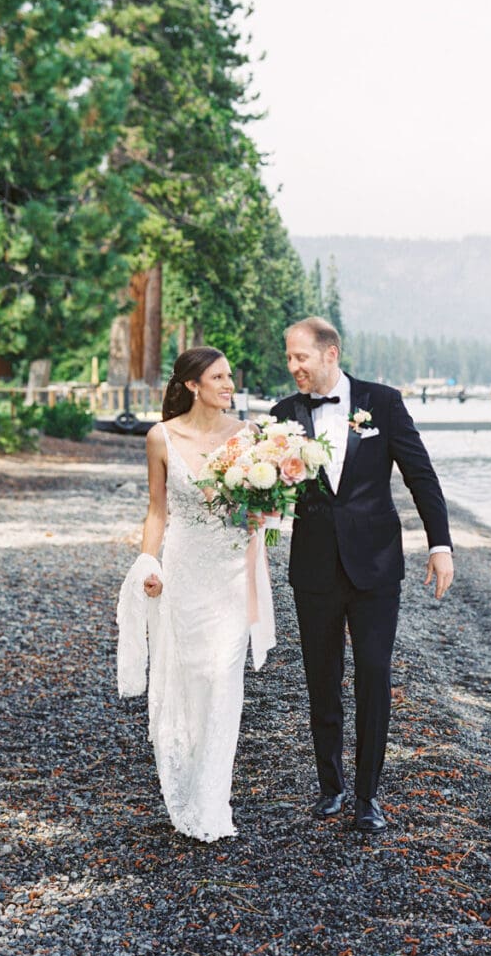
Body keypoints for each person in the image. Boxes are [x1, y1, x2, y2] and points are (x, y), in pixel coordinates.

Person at [271, 317, 453, 833]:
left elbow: (421, 475)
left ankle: (368, 796)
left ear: (331, 353)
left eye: (300, 357)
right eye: (288, 358)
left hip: (375, 567)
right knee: (321, 681)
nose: (293, 367)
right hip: (313, 569)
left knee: (374, 674)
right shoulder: (282, 416)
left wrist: (440, 544)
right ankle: (331, 787)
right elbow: (267, 497)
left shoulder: (384, 402)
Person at [116, 347, 275, 842]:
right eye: (219, 376)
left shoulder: (248, 436)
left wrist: (261, 511)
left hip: (232, 569)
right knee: (188, 679)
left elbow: (263, 510)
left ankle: (212, 801)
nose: (229, 384)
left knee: (222, 676)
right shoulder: (160, 437)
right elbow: (157, 511)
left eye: (231, 376)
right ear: (192, 384)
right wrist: (149, 562)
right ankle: (183, 779)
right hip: (184, 570)